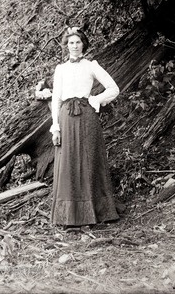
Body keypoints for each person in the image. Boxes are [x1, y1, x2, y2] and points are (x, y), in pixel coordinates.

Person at [50, 26, 120, 229]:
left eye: (78, 42)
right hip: (66, 118)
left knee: (90, 160)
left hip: (87, 116)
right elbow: (56, 98)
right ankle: (68, 216)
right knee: (68, 162)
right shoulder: (60, 69)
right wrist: (55, 126)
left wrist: (96, 99)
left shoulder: (91, 65)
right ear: (66, 46)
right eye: (71, 43)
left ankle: (95, 212)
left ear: (83, 45)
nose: (74, 46)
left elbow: (113, 88)